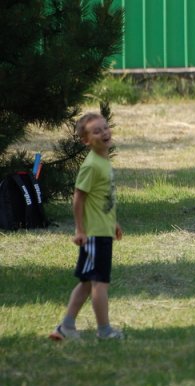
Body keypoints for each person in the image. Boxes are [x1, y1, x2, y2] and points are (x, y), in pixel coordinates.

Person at [49, 113, 124, 341]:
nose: (104, 133)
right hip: (94, 235)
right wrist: (80, 230)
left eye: (105, 127)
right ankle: (104, 330)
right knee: (100, 282)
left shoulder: (103, 161)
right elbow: (79, 199)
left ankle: (66, 327)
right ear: (86, 140)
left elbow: (101, 199)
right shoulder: (91, 165)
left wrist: (113, 223)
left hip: (103, 230)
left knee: (86, 281)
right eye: (97, 131)